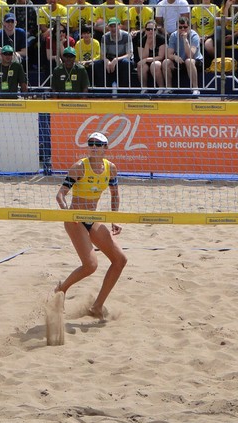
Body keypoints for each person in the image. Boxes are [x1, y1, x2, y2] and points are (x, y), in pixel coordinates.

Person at [55, 132, 127, 321]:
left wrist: (115, 219)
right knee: (91, 265)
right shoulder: (79, 167)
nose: (94, 147)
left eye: (98, 144)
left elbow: (115, 194)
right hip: (75, 218)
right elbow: (60, 194)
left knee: (120, 260)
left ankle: (97, 307)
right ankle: (61, 290)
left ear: (106, 148)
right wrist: (67, 213)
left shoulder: (110, 168)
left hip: (93, 218)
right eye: (91, 144)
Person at [162, 16, 203, 94]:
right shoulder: (173, 35)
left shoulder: (194, 36)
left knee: (189, 61)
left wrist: (185, 40)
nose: (183, 29)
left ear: (189, 27)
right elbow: (169, 54)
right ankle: (169, 88)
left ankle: (195, 88)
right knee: (165, 62)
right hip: (180, 60)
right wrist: (175, 57)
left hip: (195, 60)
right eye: (180, 27)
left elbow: (190, 55)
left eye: (185, 27)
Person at [93, 17, 134, 89]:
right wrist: (107, 61)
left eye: (115, 26)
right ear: (108, 27)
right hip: (110, 59)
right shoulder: (104, 37)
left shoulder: (126, 36)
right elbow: (102, 55)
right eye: (111, 26)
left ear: (119, 26)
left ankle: (124, 92)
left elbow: (129, 54)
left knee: (126, 63)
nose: (113, 28)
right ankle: (103, 92)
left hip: (122, 58)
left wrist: (116, 60)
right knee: (97, 64)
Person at [134, 19, 167, 91]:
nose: (150, 31)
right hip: (146, 61)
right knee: (141, 66)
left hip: (158, 60)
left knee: (155, 65)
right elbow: (142, 57)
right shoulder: (142, 40)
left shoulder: (161, 39)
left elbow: (161, 56)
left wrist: (146, 59)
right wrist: (147, 44)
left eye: (153, 29)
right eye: (148, 29)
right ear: (145, 30)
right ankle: (144, 88)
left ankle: (161, 88)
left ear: (156, 30)